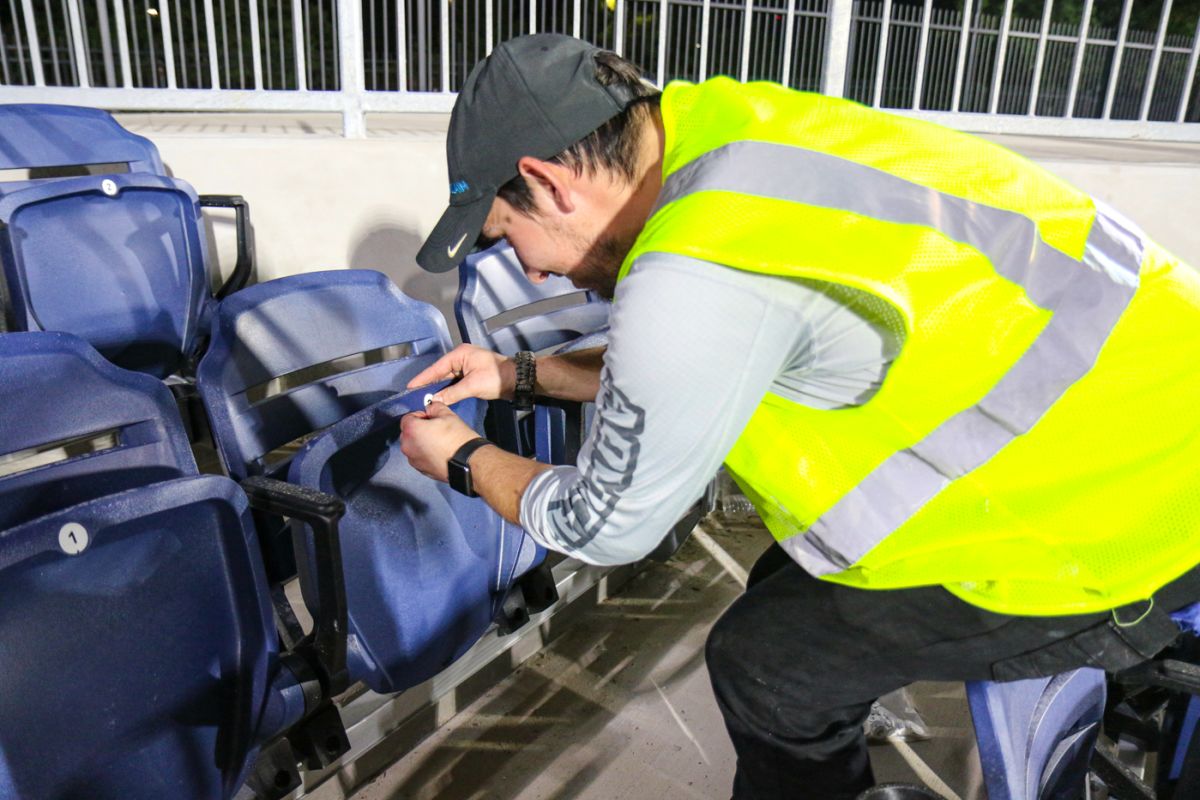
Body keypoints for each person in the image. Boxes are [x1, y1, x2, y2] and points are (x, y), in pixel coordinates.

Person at [399, 33, 1200, 799]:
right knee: (781, 585)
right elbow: (711, 356)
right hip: (1142, 422)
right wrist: (518, 374)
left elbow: (606, 525)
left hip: (1124, 519)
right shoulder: (735, 132)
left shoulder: (696, 260)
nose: (533, 270)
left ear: (548, 183)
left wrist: (464, 459)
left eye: (510, 236)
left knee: (767, 667)